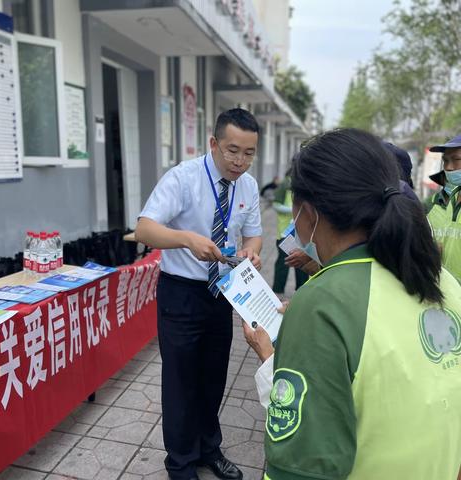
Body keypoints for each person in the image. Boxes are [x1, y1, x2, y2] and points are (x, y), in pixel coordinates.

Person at [244, 128, 461, 480]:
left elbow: (302, 466)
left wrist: (272, 359)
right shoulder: (442, 280)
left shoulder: (322, 304)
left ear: (309, 213)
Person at [135, 108, 262, 480]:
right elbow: (144, 229)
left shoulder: (248, 186)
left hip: (222, 293)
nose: (240, 161)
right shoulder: (183, 178)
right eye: (232, 150)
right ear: (213, 143)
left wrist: (253, 251)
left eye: (249, 153)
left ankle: (209, 449)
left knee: (213, 377)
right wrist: (186, 240)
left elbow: (252, 233)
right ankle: (181, 464)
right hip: (182, 293)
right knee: (181, 381)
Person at [427, 134, 461, 282]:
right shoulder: (437, 203)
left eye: (457, 160)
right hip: (445, 297)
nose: (448, 167)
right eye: (445, 161)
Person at [272, 165, 310, 296]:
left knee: (302, 261)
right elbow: (276, 204)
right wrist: (292, 211)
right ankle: (278, 289)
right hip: (285, 232)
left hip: (302, 233)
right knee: (284, 262)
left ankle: (302, 289)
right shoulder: (285, 184)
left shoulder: (307, 184)